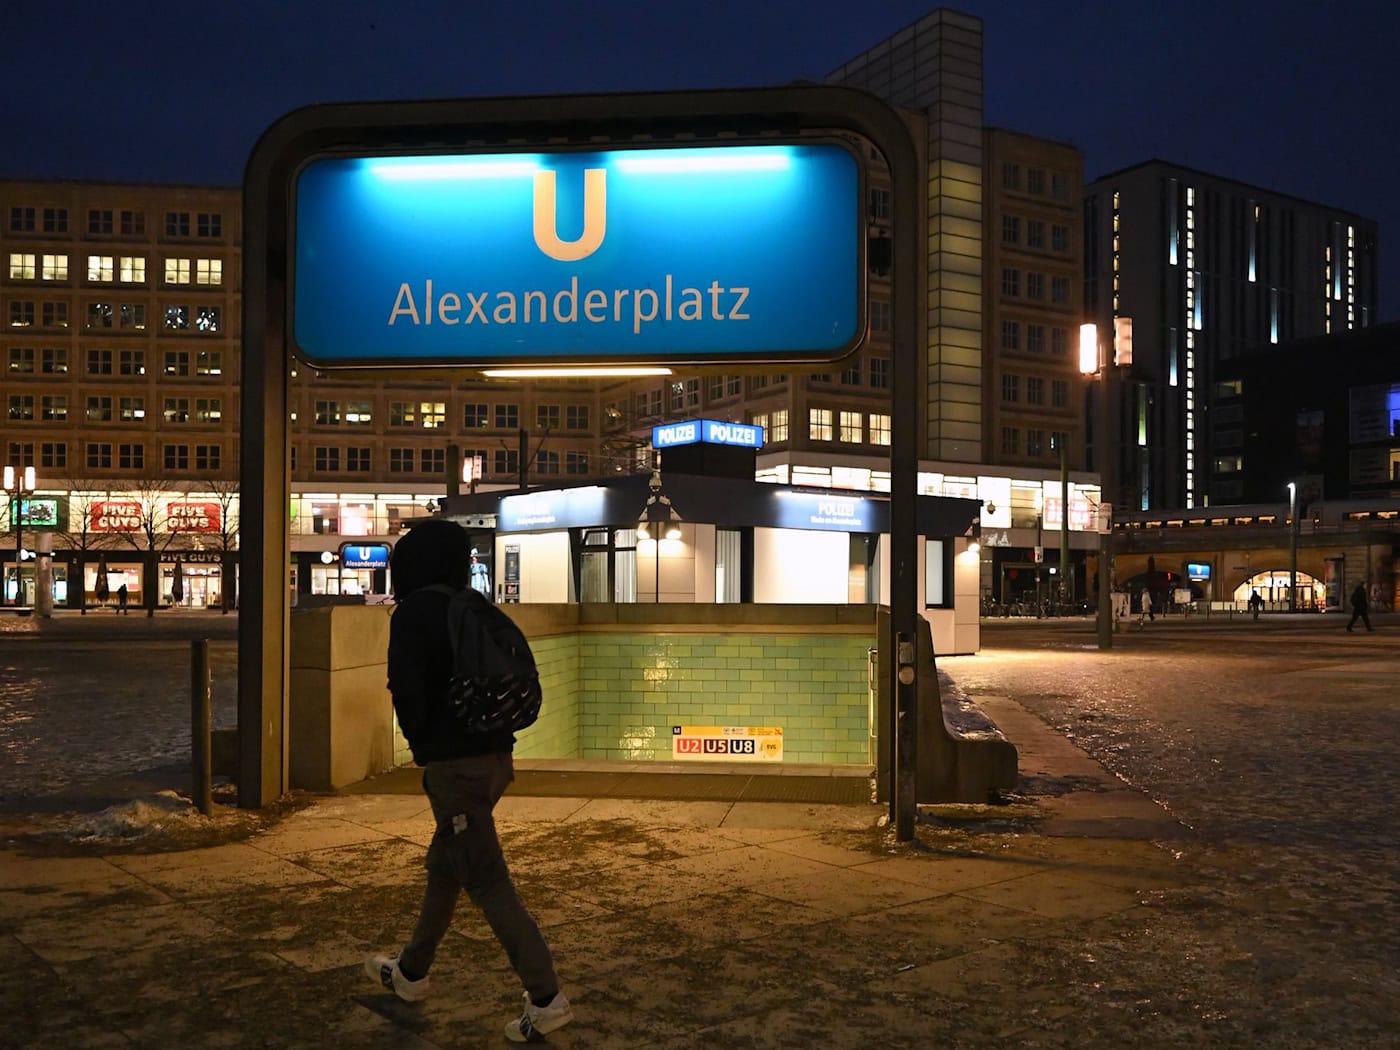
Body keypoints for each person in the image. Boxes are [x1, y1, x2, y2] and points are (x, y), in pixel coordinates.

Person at [365, 518, 572, 1043]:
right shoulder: (473, 604)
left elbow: (405, 687)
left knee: (486, 880)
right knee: (445, 866)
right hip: (495, 758)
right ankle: (411, 973)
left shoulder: (417, 612)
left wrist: (424, 749)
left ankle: (546, 999)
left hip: (455, 768)